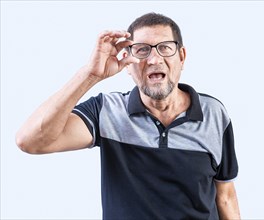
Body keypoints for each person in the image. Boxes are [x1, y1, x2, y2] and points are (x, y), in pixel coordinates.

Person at [16, 12, 240, 219]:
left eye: (165, 48)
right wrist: (90, 74)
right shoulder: (107, 111)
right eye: (142, 50)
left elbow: (225, 195)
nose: (154, 59)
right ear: (128, 64)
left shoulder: (214, 114)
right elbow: (30, 140)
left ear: (182, 56)